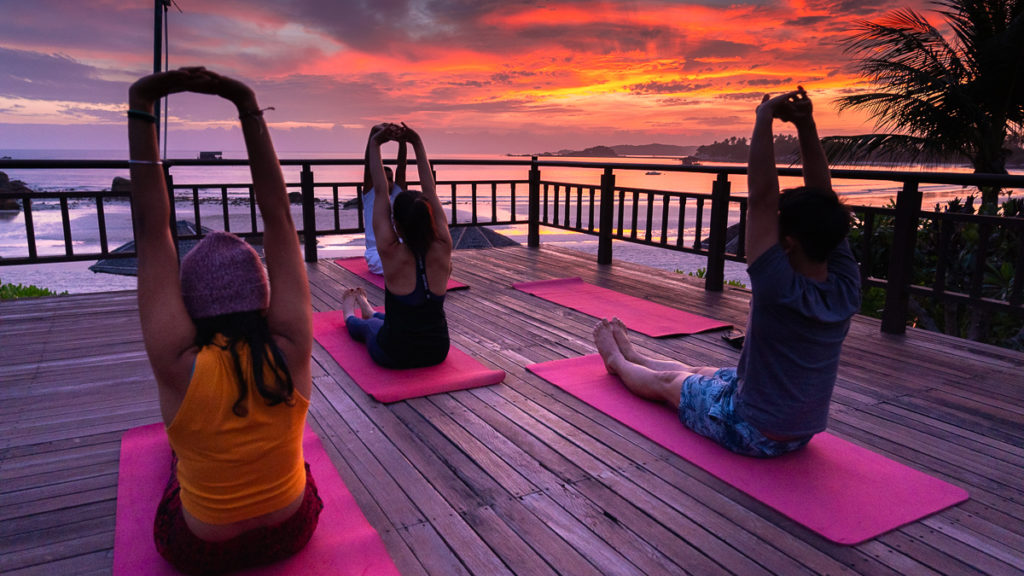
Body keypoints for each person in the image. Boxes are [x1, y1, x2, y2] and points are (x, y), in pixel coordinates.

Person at [593, 88, 861, 458]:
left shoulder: (777, 286)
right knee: (704, 370)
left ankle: (617, 362)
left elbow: (762, 198)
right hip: (801, 431)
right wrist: (806, 125)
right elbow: (823, 196)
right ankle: (635, 355)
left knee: (672, 382)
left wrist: (763, 117)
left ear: (789, 243)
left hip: (751, 429)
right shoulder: (845, 286)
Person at [127, 67, 322, 574]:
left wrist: (142, 101)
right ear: (263, 299)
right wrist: (246, 104)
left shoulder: (177, 364)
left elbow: (153, 233)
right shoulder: (291, 346)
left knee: (178, 461)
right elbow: (279, 214)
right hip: (293, 529)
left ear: (190, 306)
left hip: (200, 549)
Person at [343, 122, 452, 368]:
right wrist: (416, 142)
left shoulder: (391, 252)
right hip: (437, 351)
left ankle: (350, 314)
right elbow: (430, 191)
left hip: (394, 353)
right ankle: (371, 310)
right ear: (430, 218)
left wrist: (375, 143)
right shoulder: (444, 245)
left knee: (368, 326)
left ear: (396, 223)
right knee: (385, 320)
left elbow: (381, 192)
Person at [361, 129, 406, 275]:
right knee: (396, 266)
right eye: (384, 178)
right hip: (376, 252)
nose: (387, 183)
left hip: (400, 248)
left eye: (390, 179)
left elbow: (402, 167)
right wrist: (374, 135)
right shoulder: (371, 194)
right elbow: (368, 165)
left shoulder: (397, 195)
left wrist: (403, 140)